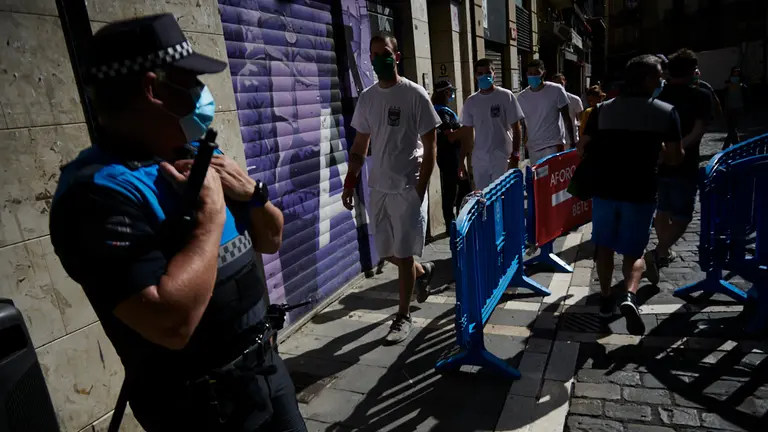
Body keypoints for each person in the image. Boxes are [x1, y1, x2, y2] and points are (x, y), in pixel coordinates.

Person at [49, 15, 306, 431]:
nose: (202, 95)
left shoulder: (192, 152)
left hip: (266, 372)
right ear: (153, 90)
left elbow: (272, 238)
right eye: (191, 81)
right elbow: (171, 324)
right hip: (203, 410)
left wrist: (254, 193)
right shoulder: (95, 196)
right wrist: (209, 220)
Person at [342, 33, 440, 344]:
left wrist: (420, 189)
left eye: (384, 53)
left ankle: (403, 315)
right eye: (373, 55)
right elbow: (360, 143)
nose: (378, 59)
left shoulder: (415, 94)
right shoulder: (368, 98)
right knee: (386, 253)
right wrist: (350, 178)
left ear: (396, 56)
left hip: (406, 187)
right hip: (379, 188)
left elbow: (431, 145)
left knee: (403, 253)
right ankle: (423, 272)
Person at [576, 54, 684, 335]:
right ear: (648, 80)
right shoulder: (666, 112)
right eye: (659, 75)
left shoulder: (602, 110)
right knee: (634, 252)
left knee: (604, 247)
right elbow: (674, 158)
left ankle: (604, 298)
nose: (663, 80)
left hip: (605, 189)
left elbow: (583, 145)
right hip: (641, 190)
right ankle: (629, 295)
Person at [645, 49, 712, 285]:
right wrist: (678, 149)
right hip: (684, 163)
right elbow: (698, 130)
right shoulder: (702, 95)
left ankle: (662, 252)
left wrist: (664, 151)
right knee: (683, 215)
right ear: (693, 70)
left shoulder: (659, 94)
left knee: (662, 208)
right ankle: (658, 252)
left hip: (660, 162)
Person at [458, 58, 524, 190]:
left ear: (494, 74)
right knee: (483, 199)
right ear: (475, 76)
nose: (484, 76)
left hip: (502, 158)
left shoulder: (506, 96)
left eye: (488, 72)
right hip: (480, 160)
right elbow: (467, 134)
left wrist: (515, 155)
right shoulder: (471, 101)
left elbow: (516, 128)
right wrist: (461, 162)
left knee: (501, 197)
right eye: (480, 73)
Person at [517, 60, 576, 165]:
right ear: (526, 75)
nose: (533, 76)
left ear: (543, 73)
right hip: (533, 147)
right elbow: (523, 124)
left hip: (553, 145)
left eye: (536, 73)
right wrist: (523, 146)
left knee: (553, 178)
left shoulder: (556, 90)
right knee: (538, 180)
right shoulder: (522, 97)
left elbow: (566, 117)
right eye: (530, 73)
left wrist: (572, 142)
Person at [432, 79, 471, 232]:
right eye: (450, 91)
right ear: (444, 93)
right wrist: (467, 129)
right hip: (449, 156)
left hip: (450, 155)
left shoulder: (442, 110)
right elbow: (450, 135)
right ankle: (452, 224)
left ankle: (454, 222)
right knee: (457, 189)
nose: (452, 94)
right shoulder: (442, 112)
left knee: (457, 188)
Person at [550, 73, 584, 146]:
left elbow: (582, 121)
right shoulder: (548, 101)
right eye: (556, 84)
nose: (559, 86)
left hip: (572, 140)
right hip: (554, 141)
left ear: (565, 82)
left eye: (560, 83)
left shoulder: (575, 100)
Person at [723, 66, 748, 149]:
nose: (736, 73)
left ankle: (731, 146)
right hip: (731, 106)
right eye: (735, 71)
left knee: (733, 128)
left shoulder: (741, 83)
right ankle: (735, 145)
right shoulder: (729, 83)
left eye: (738, 71)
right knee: (732, 128)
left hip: (738, 106)